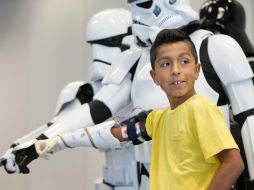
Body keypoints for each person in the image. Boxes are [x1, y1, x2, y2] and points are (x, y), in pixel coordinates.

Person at [147, 28, 244, 189]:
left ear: (197, 70)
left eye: (184, 61)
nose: (175, 70)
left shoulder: (199, 108)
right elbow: (122, 131)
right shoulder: (158, 118)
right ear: (154, 76)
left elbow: (233, 163)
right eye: (165, 64)